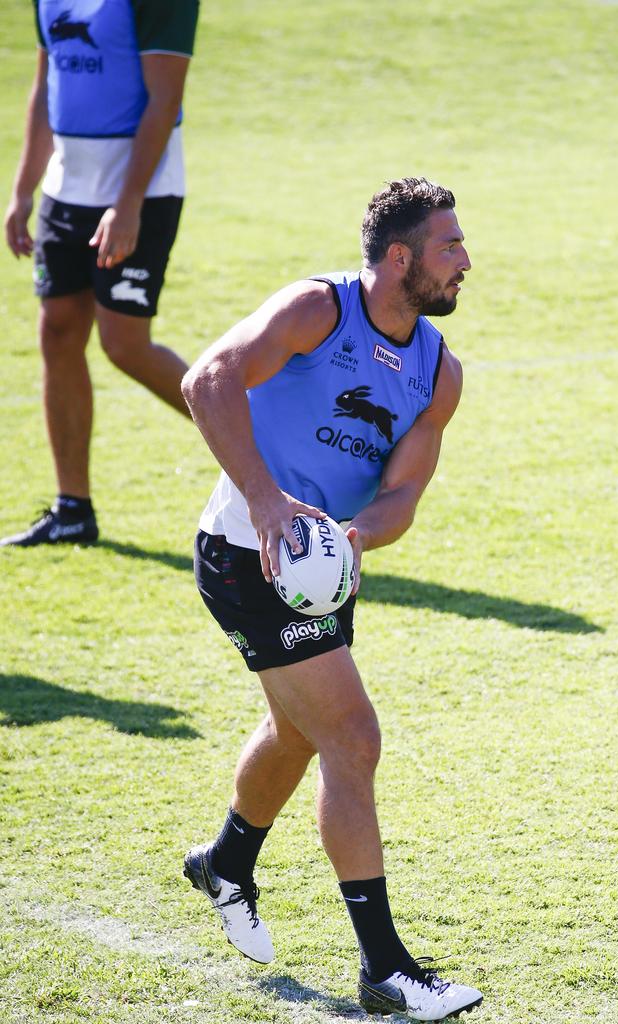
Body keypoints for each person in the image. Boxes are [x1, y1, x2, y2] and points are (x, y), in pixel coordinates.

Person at [181, 177, 483, 1021]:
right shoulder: (318, 310)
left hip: (320, 568)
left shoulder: (439, 373)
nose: (466, 261)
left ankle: (227, 861)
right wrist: (268, 499)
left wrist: (355, 539)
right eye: (450, 246)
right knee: (351, 733)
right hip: (247, 551)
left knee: (299, 729)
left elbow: (402, 497)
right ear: (400, 258)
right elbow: (209, 380)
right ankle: (385, 968)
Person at [2, 0, 200, 547]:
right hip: (66, 191)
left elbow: (165, 98)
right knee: (57, 331)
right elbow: (46, 89)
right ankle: (73, 509)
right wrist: (23, 189)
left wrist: (129, 203)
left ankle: (265, 445)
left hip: (142, 190)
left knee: (125, 344)